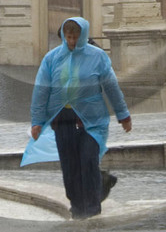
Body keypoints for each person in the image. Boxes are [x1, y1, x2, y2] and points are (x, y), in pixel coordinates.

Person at [28, 17, 132, 219]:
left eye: (76, 37)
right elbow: (41, 90)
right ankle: (77, 206)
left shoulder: (97, 57)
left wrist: (123, 115)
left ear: (83, 35)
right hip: (63, 119)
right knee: (70, 166)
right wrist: (37, 121)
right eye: (68, 37)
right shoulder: (52, 59)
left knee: (87, 161)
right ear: (63, 36)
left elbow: (111, 87)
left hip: (91, 120)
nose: (72, 41)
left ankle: (92, 209)